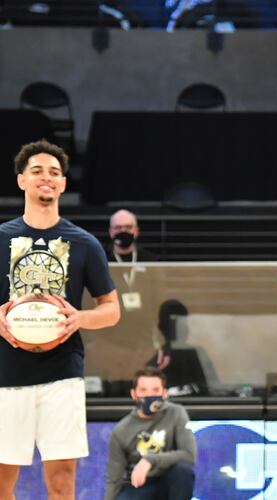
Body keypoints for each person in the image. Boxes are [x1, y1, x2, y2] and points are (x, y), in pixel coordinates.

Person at [0, 139, 121, 499]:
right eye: (37, 171)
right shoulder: (1, 237)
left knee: (62, 480)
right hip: (6, 375)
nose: (46, 178)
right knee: (3, 480)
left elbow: (111, 309)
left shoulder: (83, 243)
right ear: (21, 180)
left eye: (55, 173)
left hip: (62, 373)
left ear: (64, 184)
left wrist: (78, 318)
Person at [105, 367, 196, 500]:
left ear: (164, 393)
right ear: (134, 394)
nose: (149, 395)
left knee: (183, 471)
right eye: (143, 390)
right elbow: (114, 479)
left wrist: (149, 460)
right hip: (140, 486)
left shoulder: (177, 413)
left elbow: (189, 455)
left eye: (155, 390)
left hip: (169, 481)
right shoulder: (122, 429)